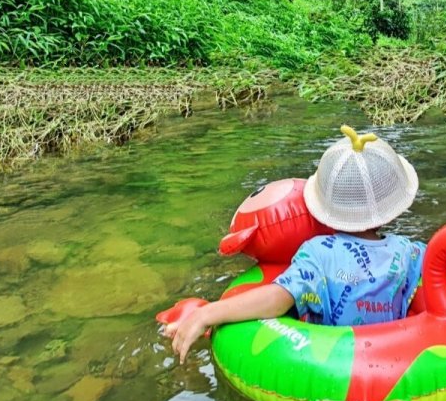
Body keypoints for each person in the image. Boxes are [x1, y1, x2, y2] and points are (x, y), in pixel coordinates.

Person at [163, 125, 426, 363]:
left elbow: (277, 299)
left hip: (327, 368)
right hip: (392, 361)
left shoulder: (318, 253)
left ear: (321, 208)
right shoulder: (411, 252)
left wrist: (206, 314)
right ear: (394, 210)